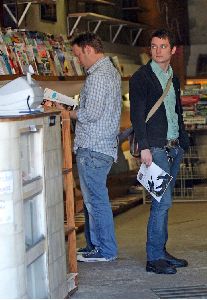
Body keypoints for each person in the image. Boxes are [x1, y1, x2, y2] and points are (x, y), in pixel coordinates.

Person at [129, 28, 190, 274]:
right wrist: (144, 147)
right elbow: (137, 115)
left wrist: (184, 142)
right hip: (154, 148)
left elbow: (176, 111)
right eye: (153, 46)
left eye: (163, 46)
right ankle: (154, 258)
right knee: (160, 202)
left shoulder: (173, 77)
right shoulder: (141, 77)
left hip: (174, 148)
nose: (157, 51)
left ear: (173, 50)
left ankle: (161, 251)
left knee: (165, 203)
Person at [69, 32, 122, 262]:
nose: (78, 61)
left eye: (78, 55)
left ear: (88, 49)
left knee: (96, 201)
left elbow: (91, 113)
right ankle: (94, 245)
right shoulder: (108, 70)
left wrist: (66, 112)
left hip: (94, 147)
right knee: (93, 199)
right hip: (100, 147)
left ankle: (105, 249)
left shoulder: (99, 76)